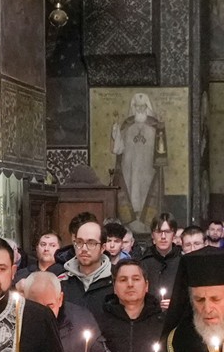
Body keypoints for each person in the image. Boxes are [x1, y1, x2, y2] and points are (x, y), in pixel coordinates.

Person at [111, 92, 168, 226]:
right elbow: (118, 148)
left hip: (148, 165)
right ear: (133, 107)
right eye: (137, 106)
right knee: (132, 187)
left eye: (143, 106)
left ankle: (146, 218)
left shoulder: (155, 125)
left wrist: (161, 125)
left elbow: (160, 146)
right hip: (129, 165)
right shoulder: (127, 124)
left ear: (147, 107)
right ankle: (133, 216)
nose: (140, 109)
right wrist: (115, 128)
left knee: (145, 188)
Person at [59, 218, 114, 317]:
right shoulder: (61, 280)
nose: (84, 249)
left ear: (103, 248)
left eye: (91, 243)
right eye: (79, 242)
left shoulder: (117, 279)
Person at [140, 215, 182, 297]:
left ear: (174, 235)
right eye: (159, 232)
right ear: (152, 235)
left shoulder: (182, 261)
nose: (163, 237)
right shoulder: (143, 263)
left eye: (167, 232)